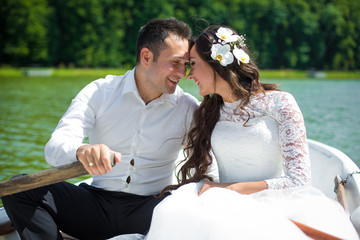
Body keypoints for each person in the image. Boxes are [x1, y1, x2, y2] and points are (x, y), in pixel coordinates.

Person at [145, 26, 359, 240]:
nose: (188, 75)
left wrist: (229, 189)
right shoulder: (208, 111)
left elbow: (299, 179)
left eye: (192, 64)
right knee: (170, 210)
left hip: (276, 201)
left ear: (216, 63)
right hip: (223, 201)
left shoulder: (280, 103)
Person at [1, 18, 205, 240]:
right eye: (175, 63)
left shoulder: (188, 107)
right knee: (18, 188)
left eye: (186, 65)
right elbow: (55, 148)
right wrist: (81, 151)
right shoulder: (100, 91)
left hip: (150, 211)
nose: (182, 73)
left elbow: (206, 161)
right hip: (94, 206)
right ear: (146, 57)